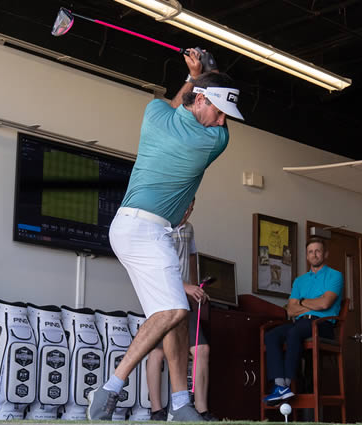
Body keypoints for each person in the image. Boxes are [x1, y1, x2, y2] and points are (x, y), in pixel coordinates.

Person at [87, 48, 243, 422]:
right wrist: (208, 70)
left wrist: (193, 76)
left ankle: (180, 403)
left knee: (175, 315)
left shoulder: (154, 114)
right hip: (142, 229)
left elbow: (177, 106)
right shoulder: (211, 142)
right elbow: (198, 103)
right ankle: (108, 389)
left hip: (143, 230)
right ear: (202, 100)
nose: (222, 122)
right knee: (173, 310)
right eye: (219, 112)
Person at [146, 201, 217, 421]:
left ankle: (201, 410)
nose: (187, 212)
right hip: (162, 300)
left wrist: (195, 288)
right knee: (157, 354)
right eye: (184, 207)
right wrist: (184, 286)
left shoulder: (189, 228)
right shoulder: (159, 228)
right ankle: (157, 412)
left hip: (184, 301)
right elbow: (155, 269)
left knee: (201, 350)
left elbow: (192, 256)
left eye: (191, 208)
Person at [263, 238, 343, 406]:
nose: (314, 255)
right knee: (271, 335)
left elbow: (325, 303)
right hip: (300, 323)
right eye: (310, 252)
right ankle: (279, 386)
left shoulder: (335, 275)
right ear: (307, 256)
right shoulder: (300, 281)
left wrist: (302, 302)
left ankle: (287, 383)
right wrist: (311, 303)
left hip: (323, 325)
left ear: (325, 254)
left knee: (294, 332)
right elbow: (290, 310)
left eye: (318, 251)